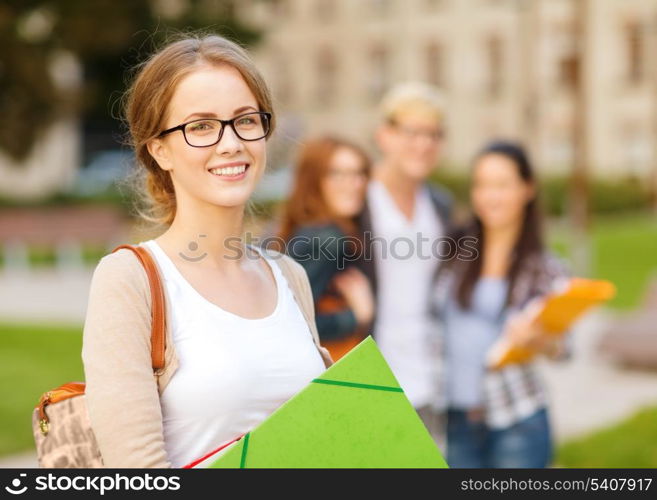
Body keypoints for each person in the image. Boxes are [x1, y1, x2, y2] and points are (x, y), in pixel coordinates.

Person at [81, 34, 333, 468]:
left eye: (245, 120)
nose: (231, 142)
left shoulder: (289, 276)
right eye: (201, 126)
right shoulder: (130, 279)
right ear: (160, 150)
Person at [432, 141, 570, 468]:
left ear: (528, 189)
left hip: (517, 419)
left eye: (502, 185)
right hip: (457, 419)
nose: (490, 196)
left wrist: (538, 341)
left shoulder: (546, 268)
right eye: (482, 185)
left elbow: (565, 350)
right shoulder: (454, 252)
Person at [359, 82, 453, 444]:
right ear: (385, 135)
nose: (424, 144)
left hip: (428, 380)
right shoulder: (359, 201)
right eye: (412, 132)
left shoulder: (440, 204)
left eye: (434, 134)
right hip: (371, 381)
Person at [275, 136, 375, 361]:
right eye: (337, 174)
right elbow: (293, 323)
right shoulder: (326, 239)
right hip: (327, 372)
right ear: (313, 180)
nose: (355, 183)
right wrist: (356, 316)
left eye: (359, 173)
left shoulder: (304, 229)